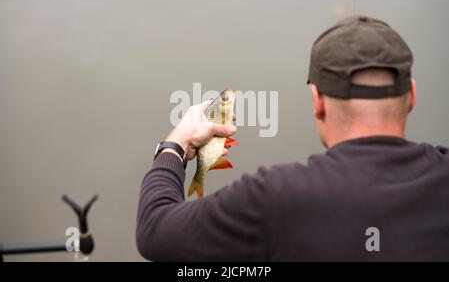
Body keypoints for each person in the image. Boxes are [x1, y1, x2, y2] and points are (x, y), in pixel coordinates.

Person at [136, 15, 449, 261]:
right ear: (411, 96)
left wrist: (176, 145)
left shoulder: (274, 198)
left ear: (318, 101)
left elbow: (155, 231)